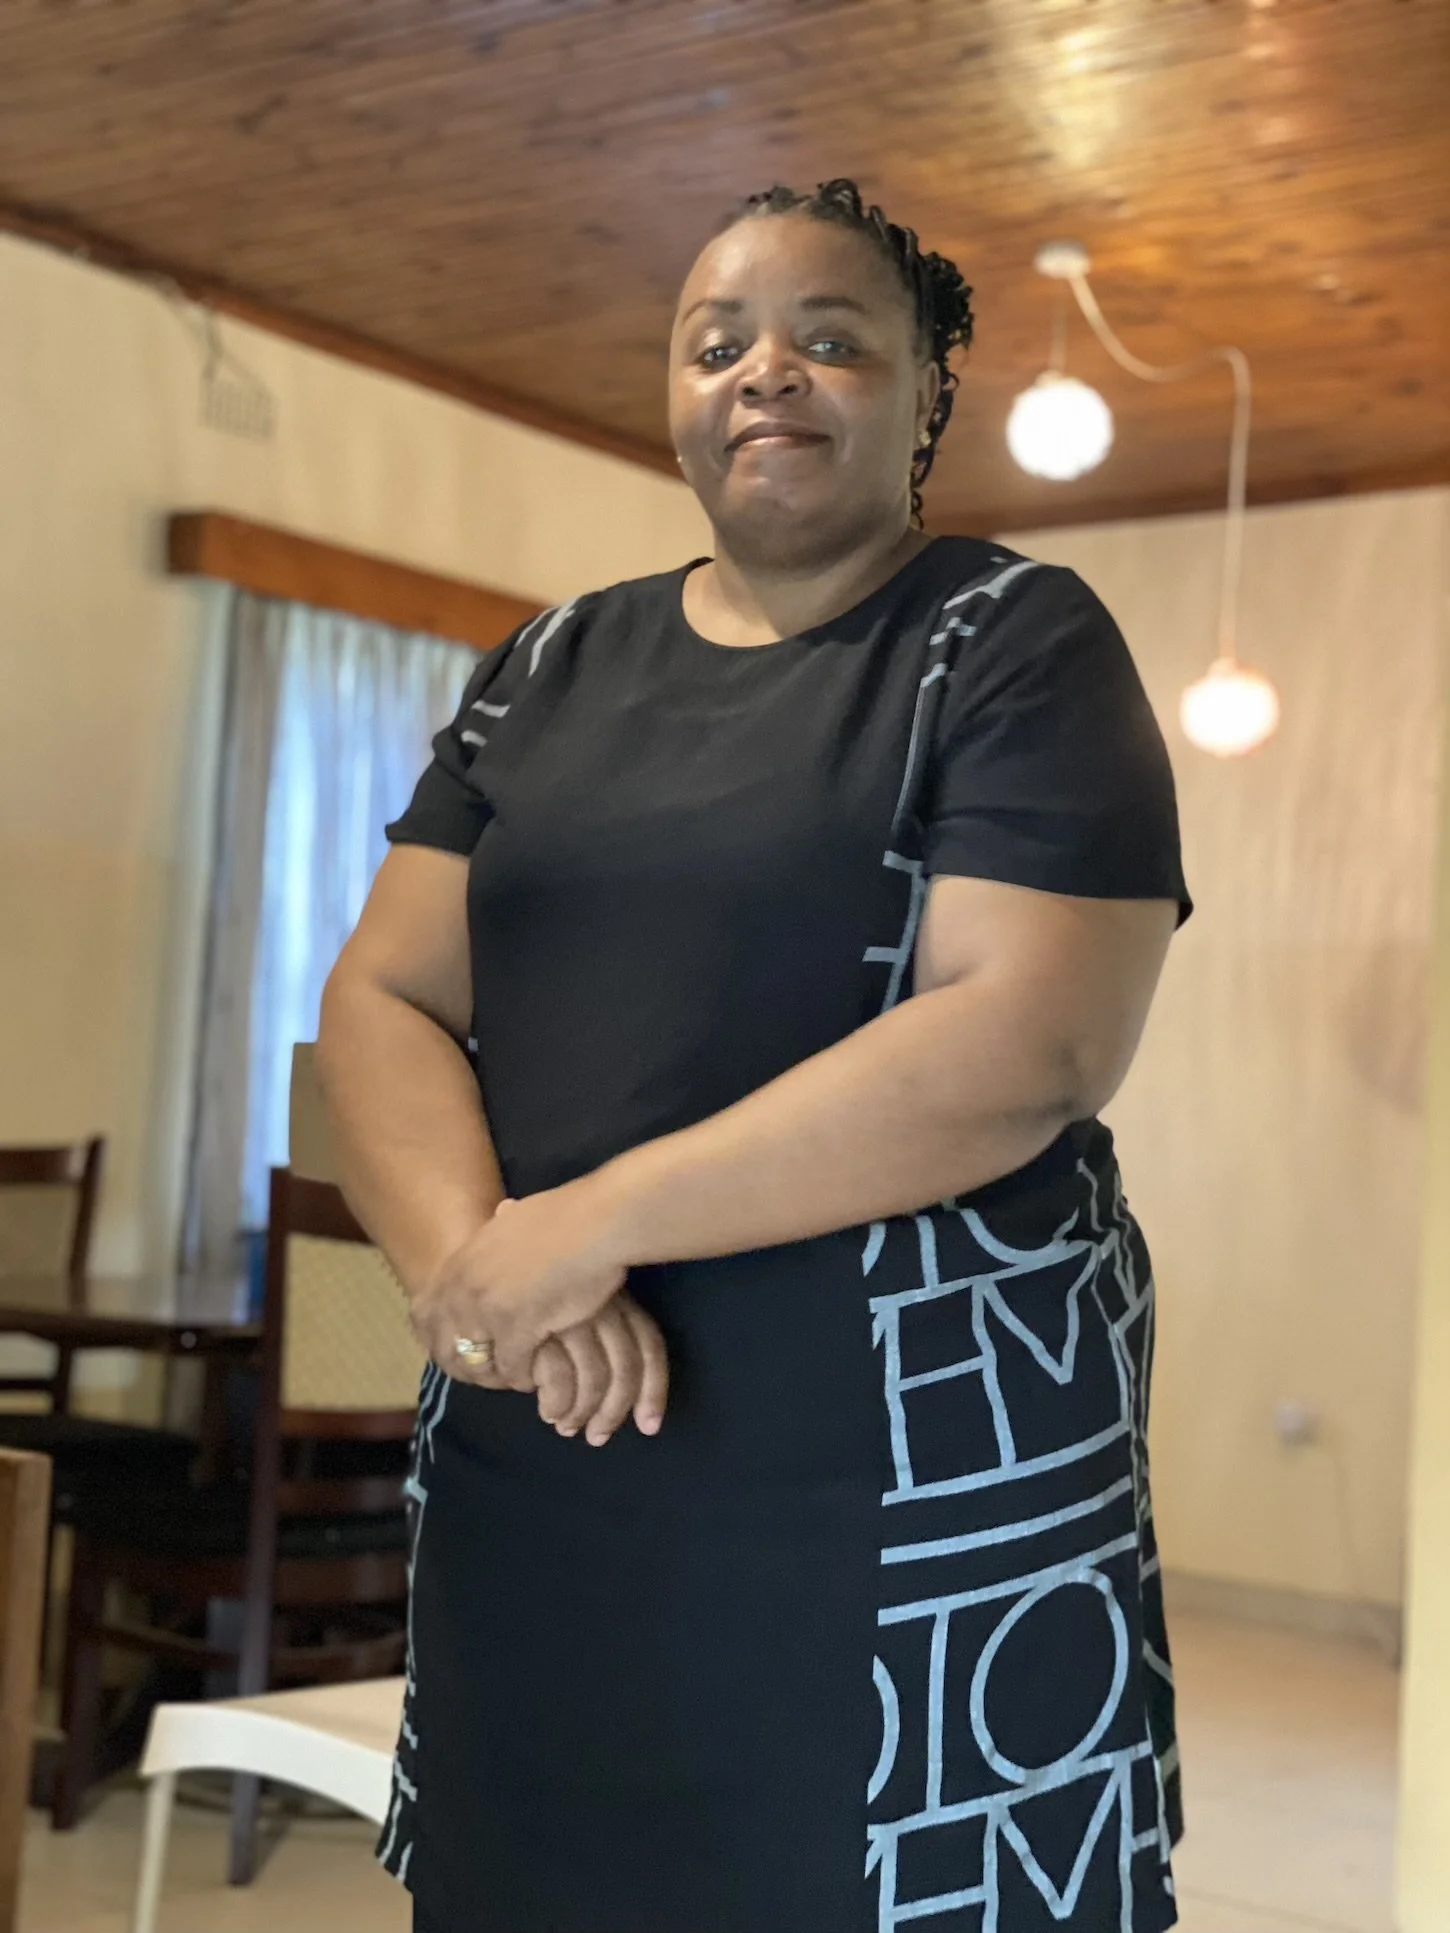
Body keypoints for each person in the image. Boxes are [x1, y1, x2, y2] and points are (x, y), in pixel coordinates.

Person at [317, 177, 1190, 1933]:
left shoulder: (1009, 641)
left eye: (832, 340)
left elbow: (1029, 1040)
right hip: (546, 1447)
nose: (764, 372)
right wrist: (481, 1279)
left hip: (903, 1478)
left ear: (923, 396)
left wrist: (593, 1223)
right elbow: (382, 999)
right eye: (717, 342)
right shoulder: (548, 664)